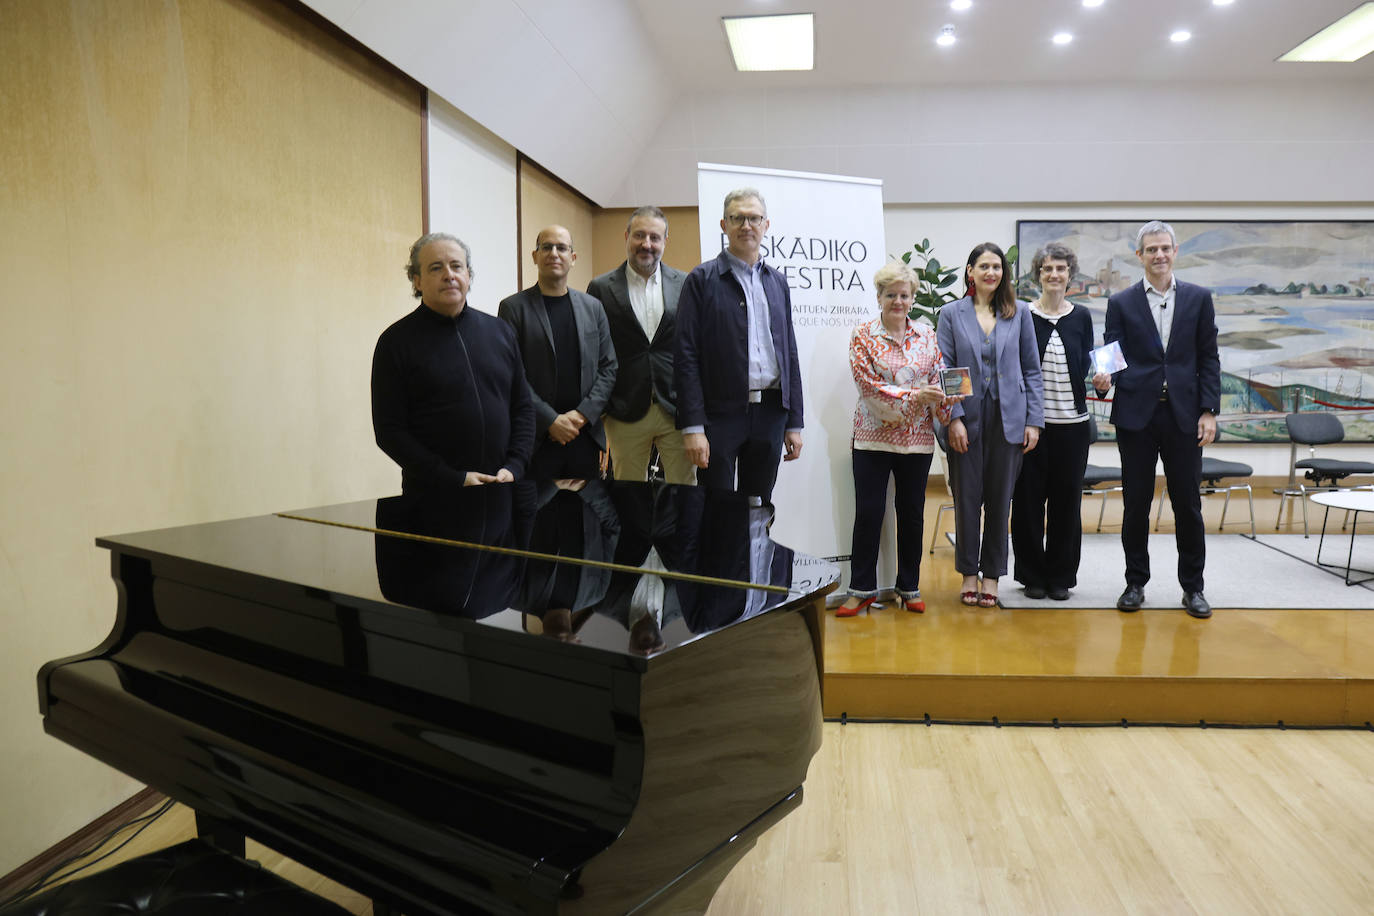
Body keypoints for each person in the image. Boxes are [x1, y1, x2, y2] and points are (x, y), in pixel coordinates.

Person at [1104, 220, 1220, 619]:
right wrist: (1104, 382)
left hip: (1185, 416)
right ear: (1139, 256)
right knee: (1135, 504)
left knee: (1188, 505)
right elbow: (1111, 358)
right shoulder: (1120, 303)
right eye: (1150, 249)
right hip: (1136, 416)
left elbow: (1209, 358)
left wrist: (1209, 410)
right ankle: (1135, 583)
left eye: (1164, 248)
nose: (1158, 255)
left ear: (1175, 252)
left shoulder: (1199, 298)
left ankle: (1193, 588)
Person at [372, 232, 534, 493]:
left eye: (456, 266)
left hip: (502, 490)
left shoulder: (500, 332)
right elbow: (390, 431)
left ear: (468, 275)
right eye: (436, 268)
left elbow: (523, 407)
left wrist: (515, 465)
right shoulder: (395, 342)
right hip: (433, 496)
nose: (449, 274)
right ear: (417, 280)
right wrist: (452, 477)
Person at [836, 261, 949, 618]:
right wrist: (916, 396)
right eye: (890, 295)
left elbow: (940, 377)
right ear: (879, 297)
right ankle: (861, 589)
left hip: (917, 440)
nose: (897, 301)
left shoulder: (927, 336)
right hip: (872, 438)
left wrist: (948, 398)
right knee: (869, 512)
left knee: (912, 513)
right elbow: (868, 384)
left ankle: (909, 585)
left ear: (913, 298)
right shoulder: (863, 335)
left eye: (904, 295)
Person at [674, 188, 803, 499]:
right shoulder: (701, 280)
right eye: (738, 218)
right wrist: (693, 427)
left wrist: (795, 422)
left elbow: (790, 354)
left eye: (754, 218)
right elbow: (685, 356)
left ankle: (753, 552)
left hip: (771, 413)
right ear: (724, 225)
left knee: (759, 507)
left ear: (766, 225)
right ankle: (720, 552)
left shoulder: (777, 282)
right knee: (715, 508)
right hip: (719, 415)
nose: (747, 225)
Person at [936, 242, 1044, 608]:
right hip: (966, 419)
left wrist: (1034, 420)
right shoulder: (951, 313)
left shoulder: (1020, 312)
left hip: (1009, 419)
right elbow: (946, 369)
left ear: (1004, 273)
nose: (991, 273)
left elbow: (1032, 370)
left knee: (1000, 502)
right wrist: (954, 418)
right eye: (983, 266)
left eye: (997, 267)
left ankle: (993, 576)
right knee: (967, 500)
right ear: (970, 271)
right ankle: (969, 573)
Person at [1011, 243, 1109, 601]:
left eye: (1061, 269)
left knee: (1067, 505)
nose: (1054, 275)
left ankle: (1061, 577)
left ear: (1070, 275)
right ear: (1038, 274)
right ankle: (1032, 576)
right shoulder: (1023, 315)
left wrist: (1102, 383)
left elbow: (1092, 368)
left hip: (1073, 426)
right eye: (1048, 268)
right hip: (1032, 428)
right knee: (1027, 503)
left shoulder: (1082, 316)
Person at [499, 225, 617, 479]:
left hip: (583, 435)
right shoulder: (513, 308)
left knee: (582, 515)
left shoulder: (593, 307)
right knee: (536, 515)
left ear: (572, 258)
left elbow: (609, 367)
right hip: (535, 437)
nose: (554, 253)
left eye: (561, 248)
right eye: (546, 247)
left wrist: (582, 415)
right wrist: (550, 420)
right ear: (534, 256)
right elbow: (511, 374)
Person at [586, 206, 693, 484]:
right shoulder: (600, 287)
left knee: (685, 494)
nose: (647, 244)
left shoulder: (686, 284)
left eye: (655, 237)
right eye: (640, 236)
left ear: (665, 241)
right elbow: (594, 352)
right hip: (625, 410)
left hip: (676, 408)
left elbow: (694, 348)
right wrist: (604, 410)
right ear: (627, 236)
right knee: (628, 498)